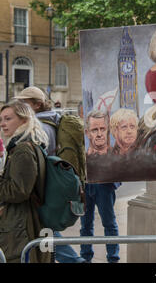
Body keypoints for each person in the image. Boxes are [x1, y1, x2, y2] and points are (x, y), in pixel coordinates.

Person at [14, 86, 86, 263]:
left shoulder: (38, 127)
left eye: (24, 103)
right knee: (45, 229)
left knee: (44, 229)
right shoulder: (54, 120)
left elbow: (34, 160)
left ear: (37, 105)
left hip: (41, 186)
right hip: (50, 183)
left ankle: (74, 261)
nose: (20, 108)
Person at [0, 100, 51, 263]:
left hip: (21, 225)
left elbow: (19, 191)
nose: (2, 124)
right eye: (1, 119)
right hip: (23, 221)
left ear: (24, 120)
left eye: (8, 119)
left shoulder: (22, 149)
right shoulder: (29, 144)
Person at [82, 110, 120, 263]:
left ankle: (113, 258)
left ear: (107, 130)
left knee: (109, 224)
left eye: (102, 129)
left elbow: (125, 172)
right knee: (85, 225)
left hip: (104, 187)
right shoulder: (83, 152)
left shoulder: (114, 153)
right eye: (94, 130)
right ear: (88, 132)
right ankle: (85, 258)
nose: (99, 134)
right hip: (85, 186)